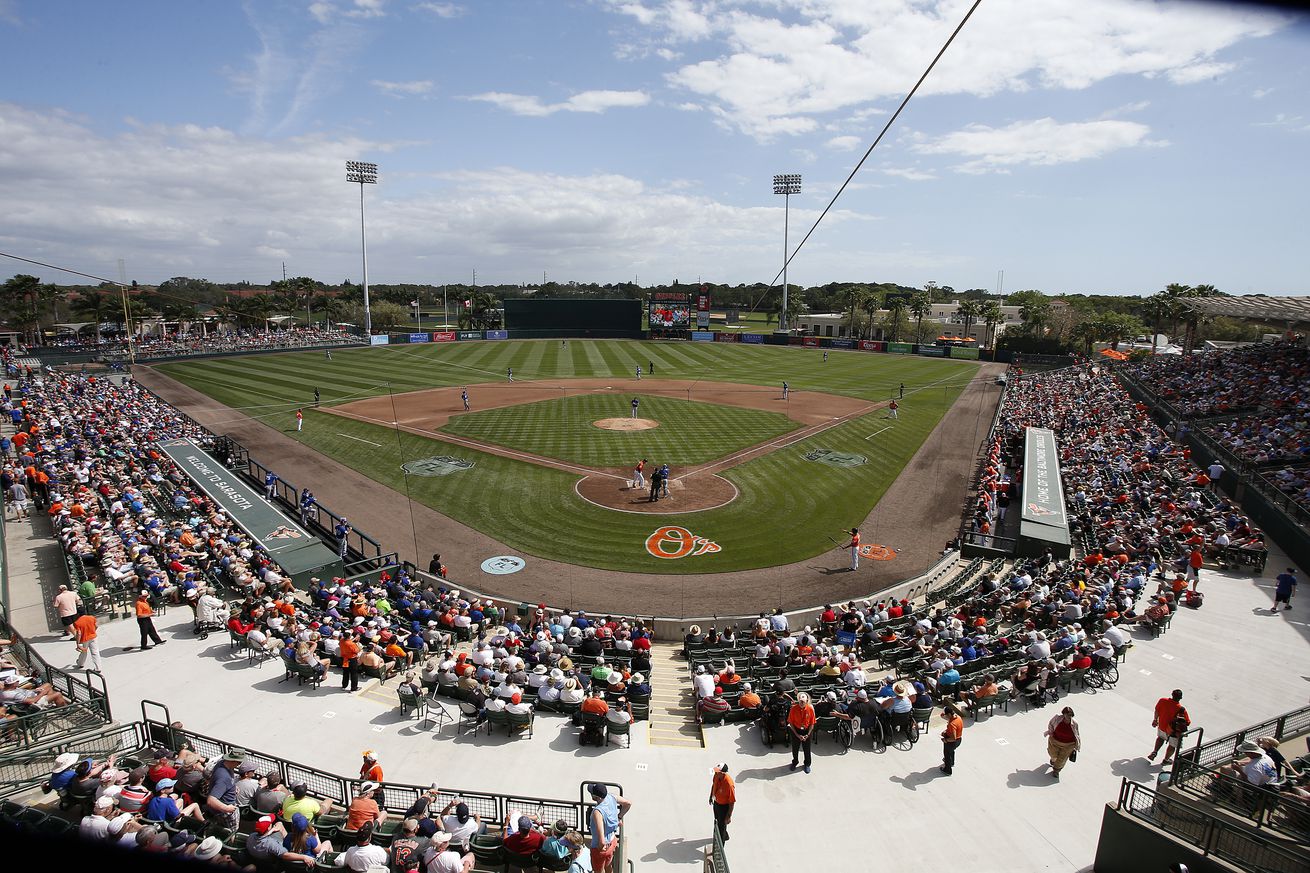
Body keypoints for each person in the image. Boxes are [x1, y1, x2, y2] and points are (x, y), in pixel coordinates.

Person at [587, 783, 629, 873]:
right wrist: (619, 817)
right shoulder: (611, 797)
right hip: (612, 841)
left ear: (596, 797)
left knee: (598, 870)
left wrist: (599, 850)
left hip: (601, 847)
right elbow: (628, 803)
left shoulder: (598, 812)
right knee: (608, 865)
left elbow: (601, 841)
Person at [1149, 689, 1189, 764]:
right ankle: (1166, 760)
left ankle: (1154, 752)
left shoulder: (1162, 700)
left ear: (1172, 694)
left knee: (1160, 738)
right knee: (1172, 746)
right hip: (1173, 731)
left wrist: (1155, 720)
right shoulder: (1181, 709)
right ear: (1180, 698)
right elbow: (1187, 722)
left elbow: (1157, 710)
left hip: (1162, 726)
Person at [1045, 706, 1081, 779]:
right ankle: (1053, 760)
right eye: (1067, 714)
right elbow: (1051, 724)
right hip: (1055, 741)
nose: (1069, 716)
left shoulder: (1075, 723)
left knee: (1062, 759)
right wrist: (1051, 732)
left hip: (1068, 745)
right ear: (1064, 714)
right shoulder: (1057, 718)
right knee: (1053, 755)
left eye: (1070, 715)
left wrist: (1077, 745)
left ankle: (1056, 770)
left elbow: (1077, 734)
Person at [787, 691, 816, 774]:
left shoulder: (810, 709)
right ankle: (795, 762)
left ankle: (807, 764)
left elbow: (812, 723)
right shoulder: (793, 709)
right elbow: (791, 723)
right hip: (796, 730)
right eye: (800, 701)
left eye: (803, 701)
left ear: (806, 701)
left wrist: (808, 734)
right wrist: (797, 735)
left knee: (807, 749)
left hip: (807, 731)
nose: (802, 703)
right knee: (795, 749)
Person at [709, 763, 735, 842]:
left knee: (721, 827)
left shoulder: (729, 784)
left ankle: (721, 843)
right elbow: (714, 785)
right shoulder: (716, 776)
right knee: (717, 821)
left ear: (722, 773)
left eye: (717, 772)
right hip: (716, 803)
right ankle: (724, 835)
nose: (715, 772)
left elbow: (732, 802)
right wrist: (711, 796)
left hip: (724, 807)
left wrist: (729, 816)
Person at [940, 703, 964, 775]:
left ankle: (947, 770)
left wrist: (945, 740)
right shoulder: (958, 717)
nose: (945, 716)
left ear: (949, 714)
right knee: (951, 751)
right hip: (959, 740)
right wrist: (946, 731)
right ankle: (952, 762)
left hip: (952, 742)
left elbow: (953, 738)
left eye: (945, 715)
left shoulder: (952, 724)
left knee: (947, 754)